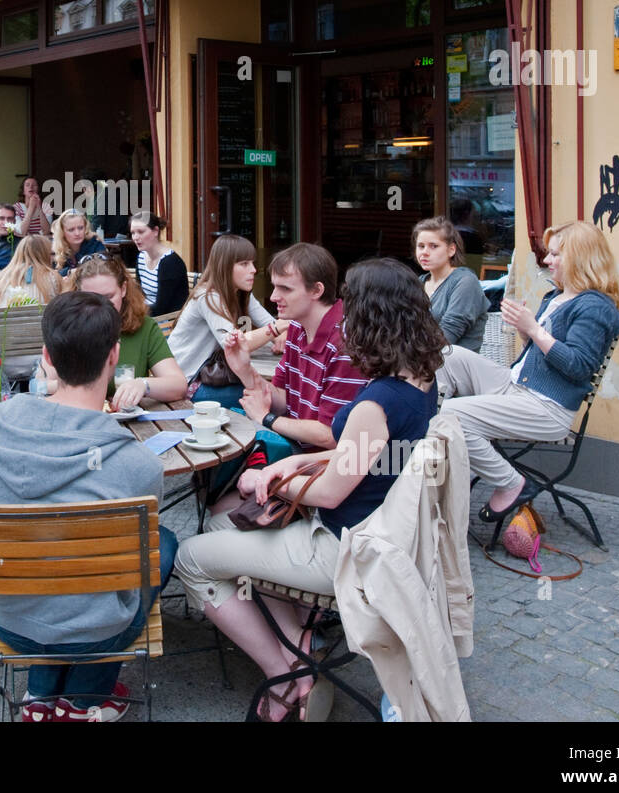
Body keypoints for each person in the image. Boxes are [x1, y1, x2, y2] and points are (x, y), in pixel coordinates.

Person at [174, 257, 445, 721]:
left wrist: (270, 476)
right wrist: (300, 458)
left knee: (191, 560)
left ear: (369, 317)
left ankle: (286, 674)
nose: (345, 317)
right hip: (380, 535)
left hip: (342, 548)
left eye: (352, 307)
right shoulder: (418, 382)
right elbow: (365, 459)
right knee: (228, 521)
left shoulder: (377, 401)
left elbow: (330, 493)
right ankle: (303, 646)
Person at [0, 290, 177, 722]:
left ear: (46, 358)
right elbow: (133, 569)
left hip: (10, 625)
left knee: (64, 565)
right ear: (113, 357)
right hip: (97, 634)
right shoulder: (139, 465)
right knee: (162, 547)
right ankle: (83, 699)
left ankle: (41, 691)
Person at [437, 220, 619, 523]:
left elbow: (579, 367)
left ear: (579, 257)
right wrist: (525, 331)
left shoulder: (595, 307)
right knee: (445, 355)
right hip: (515, 385)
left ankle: (511, 482)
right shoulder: (555, 296)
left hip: (545, 407)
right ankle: (422, 427)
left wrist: (533, 329)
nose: (547, 260)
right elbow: (540, 351)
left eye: (555, 255)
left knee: (448, 416)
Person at [220, 243, 369, 466]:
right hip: (297, 448)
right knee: (218, 475)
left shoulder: (344, 344)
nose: (273, 297)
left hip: (330, 464)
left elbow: (330, 435)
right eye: (274, 287)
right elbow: (283, 398)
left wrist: (267, 419)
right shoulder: (298, 327)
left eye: (285, 289)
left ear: (316, 291)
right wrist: (243, 368)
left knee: (228, 488)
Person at [167, 234, 278, 409]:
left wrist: (279, 333)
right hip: (187, 383)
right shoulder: (208, 296)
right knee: (265, 396)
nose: (254, 269)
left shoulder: (241, 294)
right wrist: (277, 329)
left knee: (270, 392)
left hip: (210, 376)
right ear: (225, 267)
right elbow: (237, 346)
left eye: (252, 263)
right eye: (244, 264)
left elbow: (270, 325)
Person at [68, 255, 188, 409]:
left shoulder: (144, 328)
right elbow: (42, 384)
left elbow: (178, 384)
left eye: (109, 297)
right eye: (90, 298)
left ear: (123, 289)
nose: (100, 305)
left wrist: (143, 384)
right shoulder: (68, 327)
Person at [414, 216, 487, 352]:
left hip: (454, 367)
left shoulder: (465, 281)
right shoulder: (419, 282)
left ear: (451, 250)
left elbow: (447, 334)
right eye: (421, 246)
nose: (424, 252)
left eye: (433, 246)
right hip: (421, 365)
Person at [130, 210, 188, 314]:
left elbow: (162, 307)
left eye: (141, 232)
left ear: (155, 231)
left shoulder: (170, 263)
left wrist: (134, 314)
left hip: (168, 320)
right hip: (147, 315)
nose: (135, 237)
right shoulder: (142, 257)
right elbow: (139, 294)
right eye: (133, 233)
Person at [0, 234, 61, 309]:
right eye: (52, 254)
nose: (53, 258)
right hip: (40, 321)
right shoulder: (53, 278)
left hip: (7, 321)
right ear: (44, 254)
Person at [52, 208, 106, 276]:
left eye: (80, 228)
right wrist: (70, 272)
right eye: (71, 230)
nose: (77, 233)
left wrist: (69, 272)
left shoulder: (95, 244)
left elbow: (100, 271)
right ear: (62, 232)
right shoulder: (58, 248)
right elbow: (53, 275)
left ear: (85, 228)